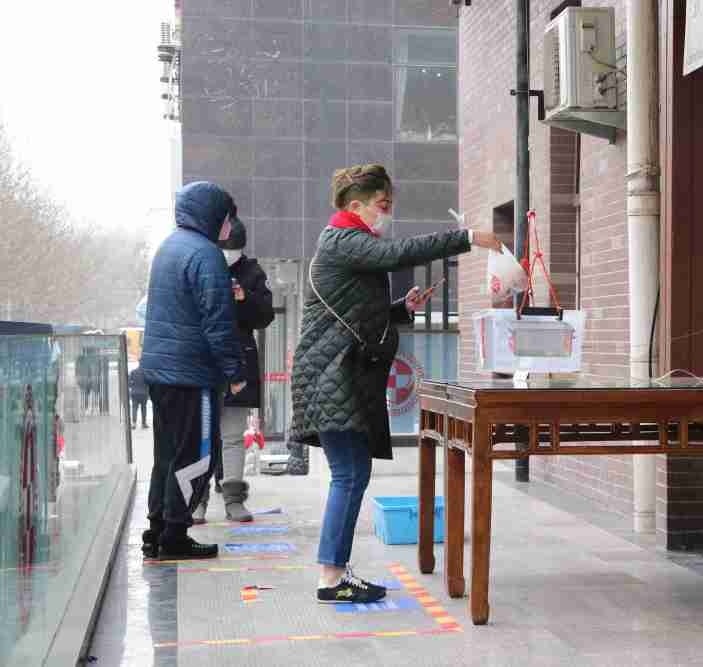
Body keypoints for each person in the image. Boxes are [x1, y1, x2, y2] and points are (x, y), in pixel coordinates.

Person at [290, 164, 501, 604]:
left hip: (336, 374)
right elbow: (399, 254)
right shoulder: (343, 240)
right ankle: (331, 577)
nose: (388, 214)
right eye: (382, 205)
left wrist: (400, 309)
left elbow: (354, 314)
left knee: (351, 473)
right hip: (333, 376)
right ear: (355, 206)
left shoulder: (347, 243)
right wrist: (466, 238)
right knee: (349, 475)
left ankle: (334, 571)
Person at [140, 181, 247, 561]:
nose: (229, 228)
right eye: (226, 218)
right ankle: (175, 536)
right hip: (192, 376)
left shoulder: (169, 247)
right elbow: (217, 321)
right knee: (196, 456)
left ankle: (156, 531)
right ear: (212, 216)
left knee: (166, 456)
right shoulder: (206, 255)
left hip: (161, 373)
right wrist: (234, 371)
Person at [193, 216, 274, 524]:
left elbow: (265, 315)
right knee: (202, 436)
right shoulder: (202, 266)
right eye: (227, 248)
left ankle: (234, 500)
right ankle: (196, 500)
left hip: (239, 359)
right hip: (205, 361)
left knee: (232, 436)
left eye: (236, 249)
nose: (231, 254)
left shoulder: (252, 272)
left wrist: (243, 298)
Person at [128, 364, 149, 429]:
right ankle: (143, 423)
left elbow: (128, 383)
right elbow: (149, 383)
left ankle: (134, 423)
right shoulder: (146, 373)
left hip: (135, 393)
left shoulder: (133, 372)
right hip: (144, 393)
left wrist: (133, 386)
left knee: (134, 408)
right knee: (144, 408)